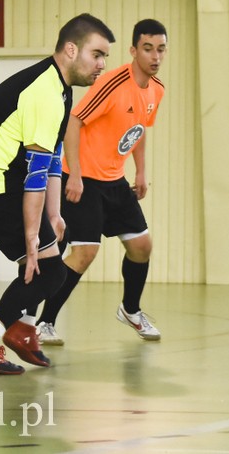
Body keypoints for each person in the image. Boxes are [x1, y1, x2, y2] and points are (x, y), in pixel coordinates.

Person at [0, 13, 116, 374]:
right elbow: (36, 174)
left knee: (55, 238)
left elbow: (54, 158)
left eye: (105, 57)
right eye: (97, 55)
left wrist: (53, 217)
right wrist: (30, 234)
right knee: (48, 271)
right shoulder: (44, 91)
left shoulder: (61, 88)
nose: (102, 65)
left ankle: (23, 330)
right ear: (71, 49)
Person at [32, 18, 168, 345]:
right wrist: (75, 174)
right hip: (83, 179)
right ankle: (43, 323)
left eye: (161, 49)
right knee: (85, 253)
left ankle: (130, 310)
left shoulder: (157, 89)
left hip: (113, 179)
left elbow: (139, 130)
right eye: (147, 48)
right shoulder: (112, 83)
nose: (155, 56)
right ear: (134, 50)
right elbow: (74, 122)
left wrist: (140, 172)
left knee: (142, 246)